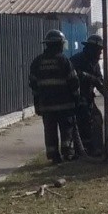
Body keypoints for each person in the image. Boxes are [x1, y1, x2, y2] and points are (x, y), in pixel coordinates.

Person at [28, 29, 80, 164]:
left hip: (46, 105)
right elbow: (73, 81)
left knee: (50, 131)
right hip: (65, 104)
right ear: (59, 44)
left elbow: (33, 85)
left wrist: (37, 104)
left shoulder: (37, 62)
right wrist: (76, 98)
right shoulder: (64, 61)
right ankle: (67, 153)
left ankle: (53, 156)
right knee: (66, 130)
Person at [70, 34, 108, 156]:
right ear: (91, 49)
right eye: (99, 51)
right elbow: (76, 75)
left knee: (96, 119)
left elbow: (99, 81)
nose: (100, 54)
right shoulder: (76, 60)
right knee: (82, 124)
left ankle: (96, 148)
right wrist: (92, 79)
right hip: (75, 99)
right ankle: (82, 150)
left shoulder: (94, 63)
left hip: (87, 98)